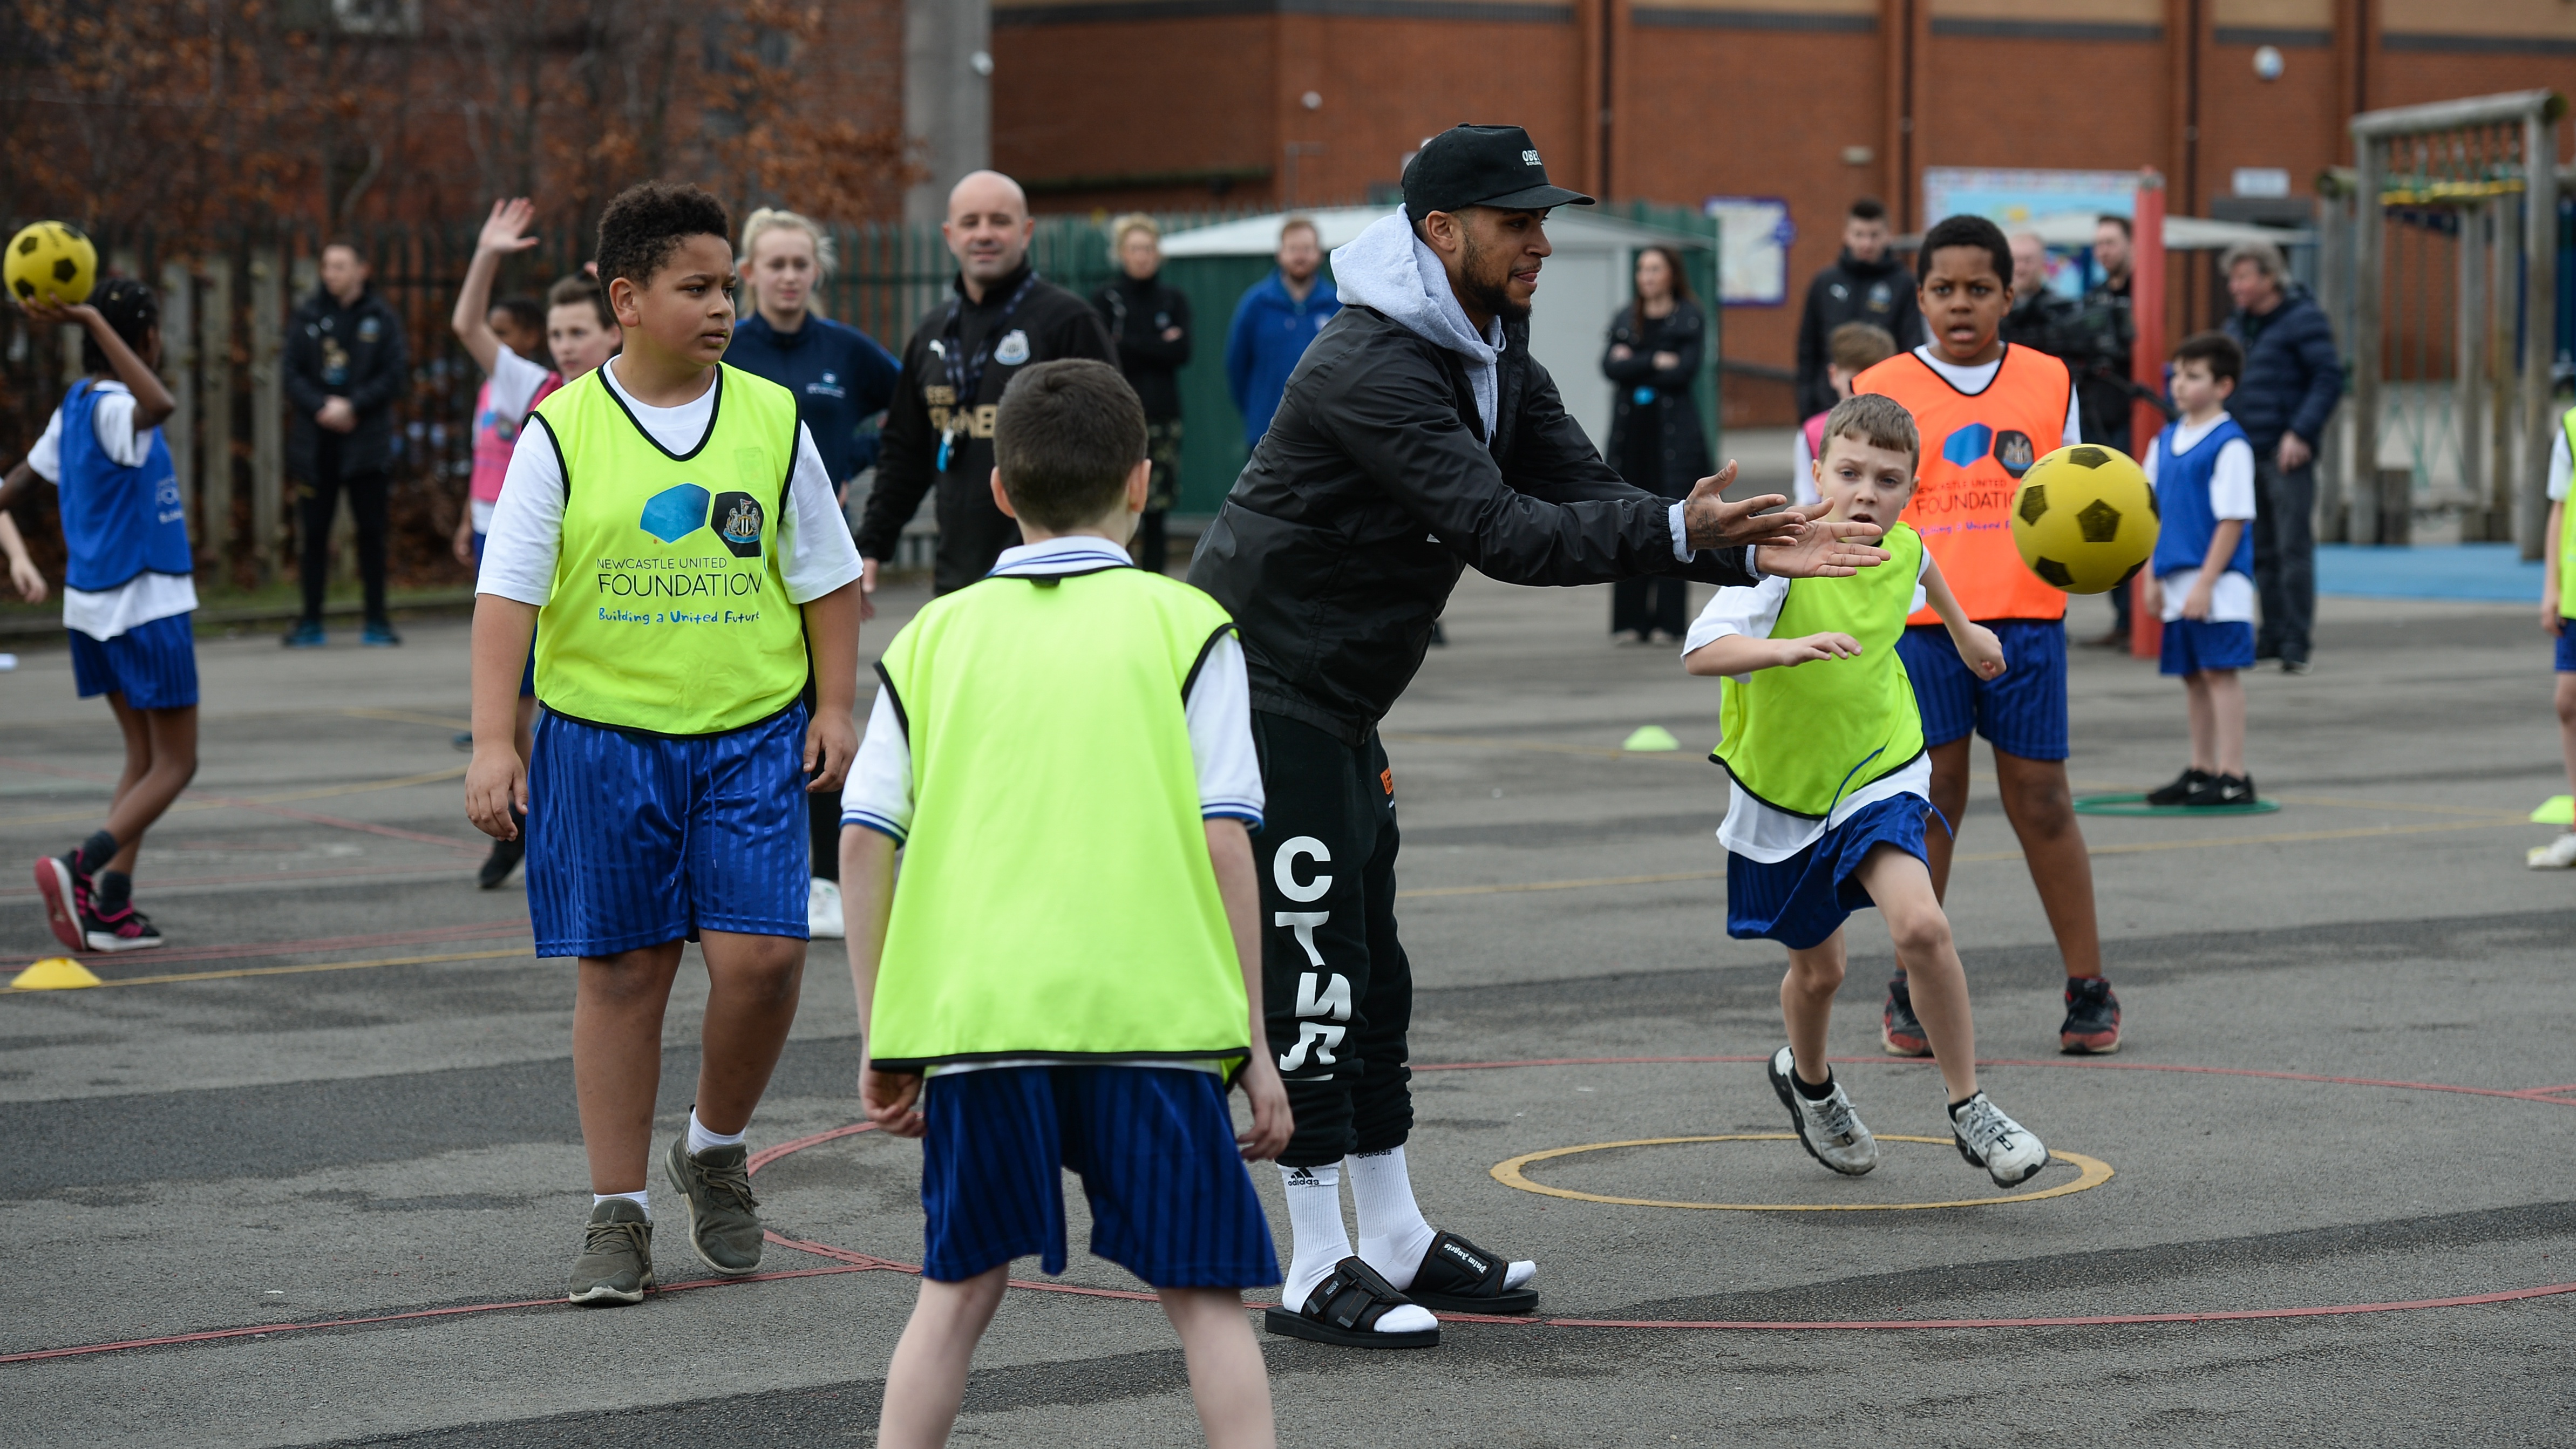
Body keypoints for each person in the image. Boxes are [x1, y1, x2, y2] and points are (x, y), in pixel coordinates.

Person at [1187, 123, 1889, 1348]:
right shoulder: (1370, 366)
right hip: (1260, 693)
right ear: (1439, 233)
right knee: (1314, 967)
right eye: (1517, 223)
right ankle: (1311, 1262)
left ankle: (1393, 1232)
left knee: (1376, 971)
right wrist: (1676, 534)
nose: (1541, 242)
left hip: (1338, 700)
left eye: (1540, 218)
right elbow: (1506, 532)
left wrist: (1725, 541)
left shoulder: (1486, 345)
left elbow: (1584, 487)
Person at [841, 359, 1290, 1446]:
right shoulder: (1188, 628)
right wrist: (1254, 1044)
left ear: (998, 491)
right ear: (1143, 483)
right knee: (1203, 1300)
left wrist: (885, 1030)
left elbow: (863, 841)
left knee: (955, 1293)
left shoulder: (932, 637)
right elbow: (1223, 834)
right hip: (1151, 1016)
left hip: (984, 1017)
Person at [464, 181, 864, 1306]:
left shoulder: (771, 420)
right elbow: (508, 597)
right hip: (601, 742)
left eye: (727, 284)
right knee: (627, 972)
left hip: (748, 737)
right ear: (626, 299)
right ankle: (619, 1214)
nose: (722, 305)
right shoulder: (563, 429)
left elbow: (827, 577)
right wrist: (498, 739)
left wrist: (835, 706)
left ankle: (714, 1144)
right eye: (696, 287)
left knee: (766, 960)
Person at [1683, 392, 2048, 1188]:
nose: (1864, 493)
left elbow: (1923, 567)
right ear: (1816, 472)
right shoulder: (1776, 557)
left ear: (1908, 490)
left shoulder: (1902, 548)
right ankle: (1810, 1084)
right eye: (1848, 473)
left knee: (1922, 926)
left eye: (1887, 480)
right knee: (1820, 973)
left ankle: (1970, 1107)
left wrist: (1963, 631)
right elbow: (1701, 652)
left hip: (1881, 767)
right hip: (1783, 791)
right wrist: (1786, 650)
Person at [1854, 213, 2122, 1057]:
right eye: (1943, 290)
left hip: (2026, 620)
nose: (1960, 305)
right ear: (1920, 294)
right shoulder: (1883, 380)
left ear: (2010, 294)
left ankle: (2088, 986)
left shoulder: (2049, 378)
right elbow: (1855, 497)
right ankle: (1911, 981)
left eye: (1979, 289)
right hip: (1921, 624)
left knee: (2043, 800)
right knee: (1931, 800)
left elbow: (2081, 496)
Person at [0, 281, 195, 954]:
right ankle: (80, 868)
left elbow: (17, 486)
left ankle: (111, 905)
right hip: (143, 603)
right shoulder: (113, 406)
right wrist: (87, 316)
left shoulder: (73, 404)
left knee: (142, 757)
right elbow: (160, 402)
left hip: (88, 608)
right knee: (177, 764)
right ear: (144, 337)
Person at [725, 205, 902, 941]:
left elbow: (911, 421)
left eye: (801, 264)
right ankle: (751, 865)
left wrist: (847, 468)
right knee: (754, 708)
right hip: (740, 556)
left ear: (816, 273)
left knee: (825, 711)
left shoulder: (846, 350)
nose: (790, 276)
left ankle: (825, 878)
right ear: (748, 274)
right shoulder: (727, 349)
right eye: (776, 264)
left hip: (822, 562)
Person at [855, 171, 1117, 604]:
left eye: (999, 221)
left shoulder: (1068, 323)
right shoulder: (932, 332)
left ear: (1026, 231)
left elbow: (1111, 447)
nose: (984, 234)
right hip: (957, 582)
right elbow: (905, 450)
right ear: (949, 235)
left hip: (1051, 581)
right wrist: (872, 545)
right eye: (970, 222)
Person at [447, 198, 564, 890]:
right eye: (560, 331)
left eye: (584, 330)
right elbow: (465, 324)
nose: (570, 342)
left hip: (593, 559)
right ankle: (526, 816)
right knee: (520, 708)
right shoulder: (534, 384)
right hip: (513, 544)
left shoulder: (636, 392)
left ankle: (556, 818)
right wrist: (488, 252)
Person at [2139, 332, 2259, 809]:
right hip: (2175, 577)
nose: (2180, 385)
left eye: (2194, 376)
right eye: (2178, 375)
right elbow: (2146, 512)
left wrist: (2208, 582)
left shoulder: (2230, 444)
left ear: (2223, 385)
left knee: (2219, 672)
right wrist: (2150, 575)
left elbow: (2232, 518)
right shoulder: (2164, 440)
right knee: (2192, 674)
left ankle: (2232, 772)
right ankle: (2201, 766)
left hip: (2218, 579)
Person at [2222, 239, 2342, 675]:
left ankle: (2295, 640)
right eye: (2232, 278)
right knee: (2261, 551)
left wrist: (2301, 431)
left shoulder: (2301, 318)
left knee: (2292, 549)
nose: (2234, 286)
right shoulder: (2237, 326)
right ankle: (2270, 634)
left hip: (2286, 452)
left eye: (2242, 277)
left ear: (2268, 278)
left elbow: (2328, 378)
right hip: (2245, 449)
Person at [282, 238, 409, 648]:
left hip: (365, 445)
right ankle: (311, 621)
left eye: (340, 265)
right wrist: (321, 405)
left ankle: (376, 620)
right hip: (315, 446)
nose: (331, 273)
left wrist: (354, 405)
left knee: (371, 533)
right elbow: (291, 371)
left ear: (361, 270)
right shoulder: (307, 316)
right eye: (327, 266)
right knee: (314, 535)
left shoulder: (380, 319)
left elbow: (394, 373)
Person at [1602, 244, 1711, 644]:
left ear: (1671, 274)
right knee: (1628, 523)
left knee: (1673, 525)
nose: (1646, 276)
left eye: (1655, 268)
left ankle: (1669, 621)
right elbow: (1611, 367)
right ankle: (1629, 621)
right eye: (1642, 269)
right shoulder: (1625, 316)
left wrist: (1635, 360)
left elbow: (1683, 371)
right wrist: (1653, 360)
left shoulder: (1688, 315)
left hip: (1673, 440)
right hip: (1631, 437)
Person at [1092, 215, 1193, 573]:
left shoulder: (1173, 299)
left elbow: (1181, 353)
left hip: (1164, 418)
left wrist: (1131, 344)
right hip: (1117, 420)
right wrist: (1155, 344)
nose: (1142, 256)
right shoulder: (1105, 300)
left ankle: (1154, 579)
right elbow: (1107, 352)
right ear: (1121, 253)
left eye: (1148, 249)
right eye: (1135, 249)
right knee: (1115, 504)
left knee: (1156, 510)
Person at [1793, 198, 1922, 421]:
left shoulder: (1903, 284)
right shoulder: (1825, 283)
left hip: (1882, 407)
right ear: (1846, 235)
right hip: (1827, 406)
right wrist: (1806, 406)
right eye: (1859, 234)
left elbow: (1911, 346)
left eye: (1874, 235)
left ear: (1888, 235)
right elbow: (1807, 348)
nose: (1866, 243)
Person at [2078, 215, 2141, 649]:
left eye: (2110, 242)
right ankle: (2123, 618)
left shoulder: (2146, 294)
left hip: (2136, 423)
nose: (2103, 251)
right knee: (2106, 519)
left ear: (2131, 244)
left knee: (2133, 518)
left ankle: (2142, 617)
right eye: (2098, 244)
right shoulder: (2093, 299)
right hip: (2099, 421)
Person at [1224, 216, 1339, 448]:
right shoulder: (1255, 304)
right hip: (1266, 435)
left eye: (1307, 248)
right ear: (1280, 254)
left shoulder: (1338, 305)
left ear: (1319, 253)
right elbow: (1236, 366)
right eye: (1293, 249)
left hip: (1325, 437)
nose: (1300, 256)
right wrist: (1257, 411)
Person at [2530, 401, 2576, 868]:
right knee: (2567, 701)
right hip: (2574, 596)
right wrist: (2551, 587)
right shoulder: (2571, 426)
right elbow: (2559, 511)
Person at [1790, 321, 1897, 506]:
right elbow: (1806, 499)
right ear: (1834, 376)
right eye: (1854, 382)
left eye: (1874, 382)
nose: (1863, 392)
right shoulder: (1812, 433)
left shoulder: (1905, 430)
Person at [1999, 230, 2082, 357]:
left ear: (2042, 263)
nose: (2021, 268)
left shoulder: (2061, 310)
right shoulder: (1996, 310)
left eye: (2028, 261)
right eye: (2016, 260)